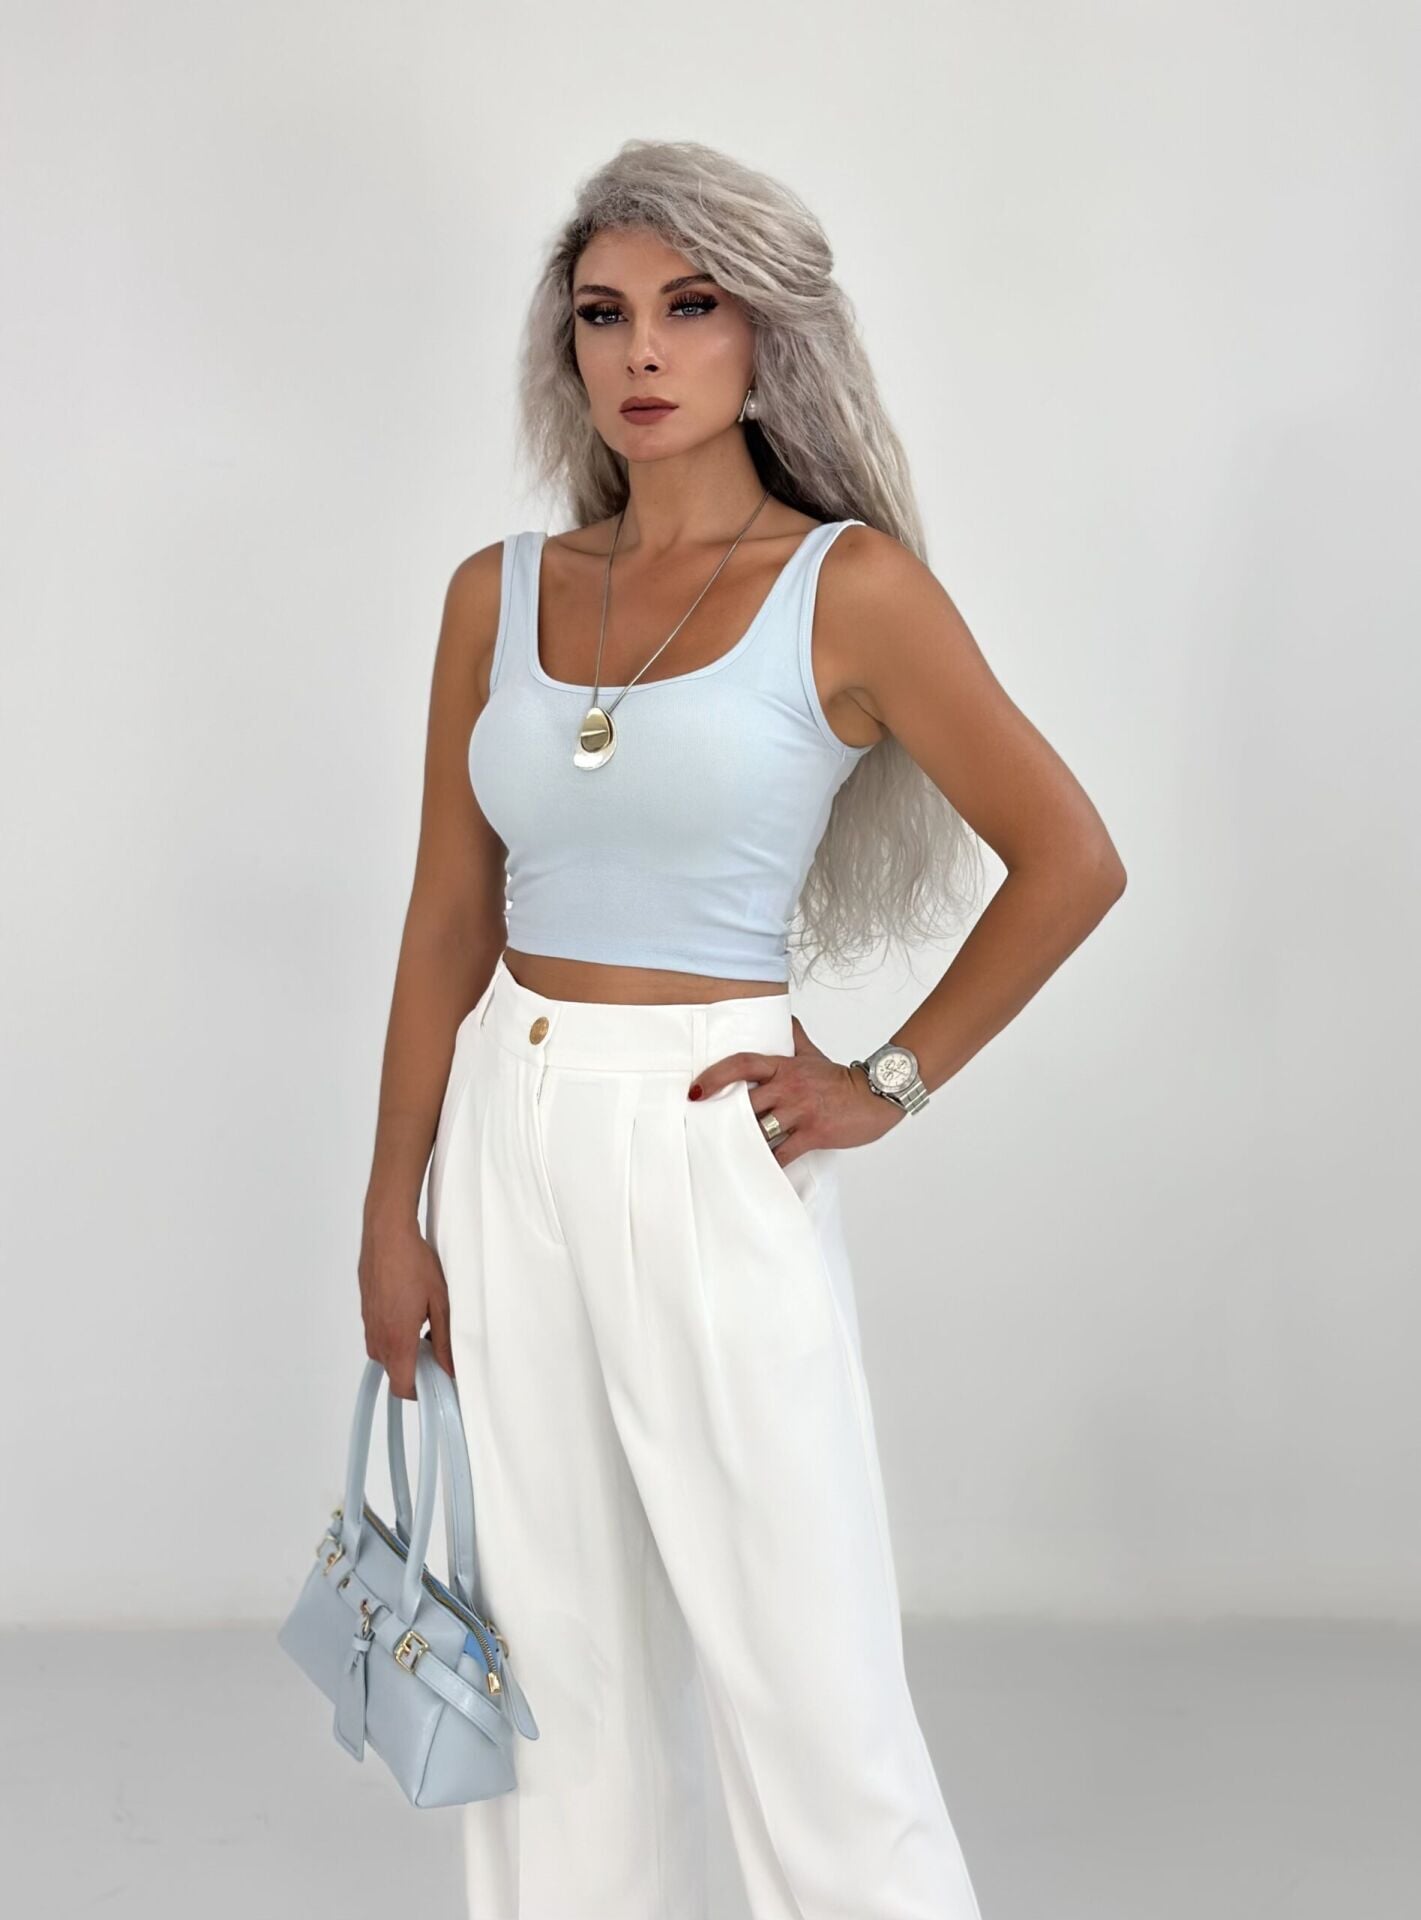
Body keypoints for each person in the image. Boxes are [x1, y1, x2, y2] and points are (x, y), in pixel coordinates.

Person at [357, 138, 1125, 1920]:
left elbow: (1071, 858)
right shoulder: (495, 593)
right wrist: (392, 1208)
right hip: (508, 1133)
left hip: (708, 1127)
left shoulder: (845, 587)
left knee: (802, 1666)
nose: (642, 350)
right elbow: (448, 917)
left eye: (690, 308)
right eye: (603, 313)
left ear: (767, 336)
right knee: (552, 1667)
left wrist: (884, 1082)